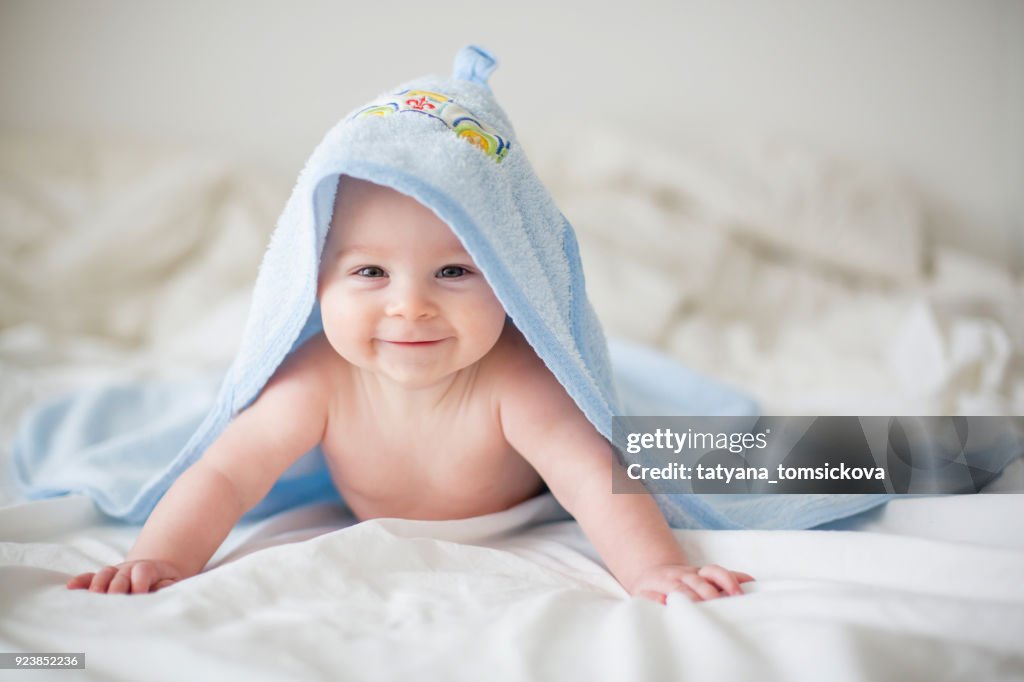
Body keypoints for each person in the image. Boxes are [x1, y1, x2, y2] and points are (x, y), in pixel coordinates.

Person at [68, 175, 755, 603]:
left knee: (789, 456)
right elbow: (225, 471)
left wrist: (653, 571)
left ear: (512, 285)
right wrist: (161, 558)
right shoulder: (318, 377)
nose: (410, 306)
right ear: (313, 284)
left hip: (530, 495)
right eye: (370, 272)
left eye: (454, 272)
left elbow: (588, 476)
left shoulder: (517, 377)